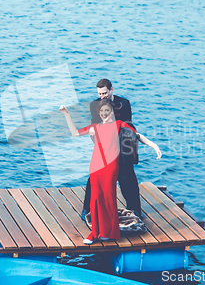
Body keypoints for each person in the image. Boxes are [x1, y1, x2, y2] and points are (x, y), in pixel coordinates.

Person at [59, 99, 161, 244]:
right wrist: (66, 114)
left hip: (110, 168)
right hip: (95, 167)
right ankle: (94, 233)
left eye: (106, 110)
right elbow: (75, 133)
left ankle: (108, 232)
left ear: (111, 111)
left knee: (108, 198)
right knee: (95, 199)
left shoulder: (120, 125)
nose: (104, 114)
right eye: (101, 112)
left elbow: (137, 136)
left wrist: (154, 145)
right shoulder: (95, 127)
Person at [82, 79, 143, 219]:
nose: (102, 96)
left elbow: (129, 125)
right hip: (105, 145)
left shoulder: (124, 103)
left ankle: (135, 209)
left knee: (128, 177)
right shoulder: (95, 104)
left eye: (105, 93)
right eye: (100, 94)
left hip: (122, 145)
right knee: (94, 178)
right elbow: (95, 125)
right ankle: (87, 209)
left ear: (111, 90)